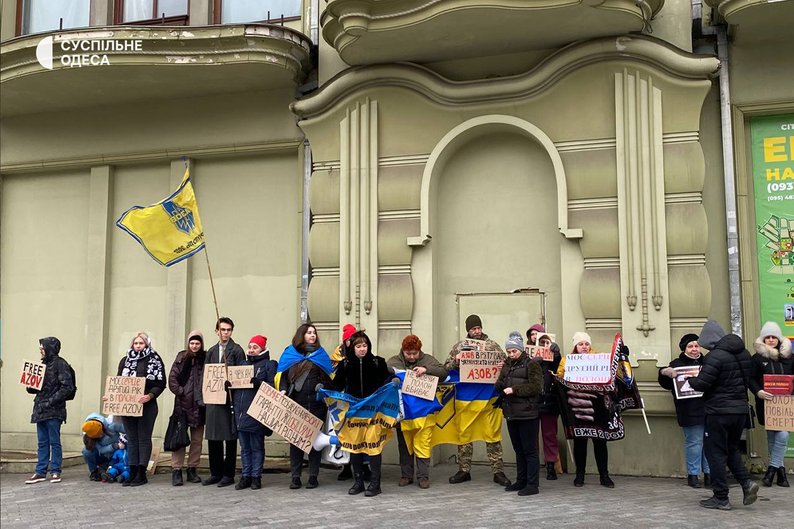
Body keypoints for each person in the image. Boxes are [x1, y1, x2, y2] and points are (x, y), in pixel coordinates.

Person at [688, 320, 759, 510]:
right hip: (740, 411)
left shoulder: (715, 356)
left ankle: (721, 497)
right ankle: (746, 483)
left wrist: (690, 380)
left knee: (715, 453)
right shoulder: (743, 353)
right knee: (732, 449)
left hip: (719, 412)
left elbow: (703, 383)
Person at [444, 314, 511, 487]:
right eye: (473, 328)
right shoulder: (459, 347)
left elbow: (506, 364)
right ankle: (464, 470)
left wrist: (500, 366)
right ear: (468, 330)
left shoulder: (492, 345)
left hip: (489, 399)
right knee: (464, 436)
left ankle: (498, 471)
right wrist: (456, 360)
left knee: (493, 435)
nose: (476, 331)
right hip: (466, 400)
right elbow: (445, 368)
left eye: (478, 328)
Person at [333, 331, 394, 496]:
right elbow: (336, 386)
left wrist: (393, 381)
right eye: (358, 346)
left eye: (364, 346)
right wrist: (323, 389)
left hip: (374, 413)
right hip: (354, 413)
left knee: (373, 446)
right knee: (355, 446)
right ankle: (358, 481)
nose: (362, 349)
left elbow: (386, 381)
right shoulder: (344, 364)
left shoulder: (378, 362)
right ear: (352, 348)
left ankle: (375, 483)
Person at [386, 334, 448, 488]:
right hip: (403, 413)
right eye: (409, 353)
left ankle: (423, 477)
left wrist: (426, 369)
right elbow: (384, 375)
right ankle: (406, 475)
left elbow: (444, 372)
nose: (412, 356)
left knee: (423, 443)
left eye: (415, 353)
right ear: (403, 351)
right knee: (404, 444)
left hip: (424, 413)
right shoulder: (394, 362)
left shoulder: (428, 359)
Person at [277, 323, 333, 490]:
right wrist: (283, 389)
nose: (312, 335)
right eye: (309, 333)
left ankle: (313, 476)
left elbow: (329, 378)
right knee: (296, 442)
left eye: (314, 333)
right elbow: (283, 376)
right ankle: (295, 476)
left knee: (315, 441)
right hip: (297, 404)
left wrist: (323, 387)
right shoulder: (290, 354)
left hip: (317, 405)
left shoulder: (321, 355)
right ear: (302, 335)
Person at [556, 332, 614, 488]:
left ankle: (604, 475)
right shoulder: (567, 360)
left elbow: (611, 376)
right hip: (577, 406)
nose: (584, 347)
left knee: (600, 442)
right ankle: (579, 475)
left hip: (596, 407)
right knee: (580, 442)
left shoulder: (599, 359)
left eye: (586, 344)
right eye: (580, 344)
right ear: (575, 346)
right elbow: (561, 377)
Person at [658, 333, 710, 488]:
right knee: (694, 443)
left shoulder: (707, 362)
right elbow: (667, 384)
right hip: (689, 410)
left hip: (709, 408)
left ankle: (709, 473)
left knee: (709, 443)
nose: (694, 349)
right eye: (690, 346)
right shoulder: (677, 363)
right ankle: (693, 474)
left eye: (696, 345)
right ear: (684, 348)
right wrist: (664, 373)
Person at [114, 332, 166, 487]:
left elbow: (161, 382)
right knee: (131, 438)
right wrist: (111, 397)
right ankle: (133, 470)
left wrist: (150, 396)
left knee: (143, 438)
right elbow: (118, 382)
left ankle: (141, 473)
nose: (138, 346)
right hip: (128, 406)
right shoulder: (125, 360)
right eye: (135, 343)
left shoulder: (154, 359)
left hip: (147, 405)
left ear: (146, 344)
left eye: (141, 343)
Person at [495, 331, 543, 496]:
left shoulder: (532, 364)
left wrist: (514, 390)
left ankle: (532, 484)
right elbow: (500, 385)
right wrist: (500, 381)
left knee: (530, 450)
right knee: (519, 450)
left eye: (514, 351)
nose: (511, 354)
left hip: (528, 413)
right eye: (509, 351)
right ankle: (521, 480)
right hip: (512, 413)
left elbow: (536, 387)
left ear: (521, 350)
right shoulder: (507, 365)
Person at [25, 336, 76, 485]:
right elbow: (35, 389)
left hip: (54, 410)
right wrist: (30, 384)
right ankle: (40, 472)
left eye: (42, 347)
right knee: (42, 442)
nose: (40, 350)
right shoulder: (41, 365)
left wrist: (50, 402)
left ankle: (55, 471)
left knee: (54, 442)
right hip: (40, 409)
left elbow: (67, 387)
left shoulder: (61, 364)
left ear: (49, 348)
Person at [748, 321, 792, 488]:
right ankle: (781, 475)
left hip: (785, 404)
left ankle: (771, 471)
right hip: (766, 402)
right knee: (772, 437)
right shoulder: (757, 358)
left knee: (783, 435)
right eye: (768, 337)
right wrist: (758, 392)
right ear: (763, 339)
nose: (771, 340)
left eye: (774, 337)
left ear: (779, 338)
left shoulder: (789, 357)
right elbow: (750, 379)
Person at [203, 317, 244, 487]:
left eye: (228, 330)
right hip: (213, 400)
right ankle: (215, 473)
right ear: (216, 331)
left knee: (230, 437)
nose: (225, 332)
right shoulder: (211, 351)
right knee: (214, 437)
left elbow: (242, 374)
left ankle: (228, 474)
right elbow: (206, 375)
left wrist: (232, 383)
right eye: (222, 329)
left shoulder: (237, 349)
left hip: (230, 400)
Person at [233, 335, 277, 490]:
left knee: (256, 447)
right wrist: (228, 386)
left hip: (257, 414)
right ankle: (246, 476)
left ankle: (256, 477)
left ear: (262, 349)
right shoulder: (243, 365)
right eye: (250, 346)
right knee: (245, 448)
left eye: (255, 347)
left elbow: (273, 387)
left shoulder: (268, 365)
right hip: (241, 413)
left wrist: (259, 384)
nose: (251, 350)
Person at [168, 330, 207, 486]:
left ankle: (192, 468)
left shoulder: (205, 359)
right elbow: (172, 378)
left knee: (197, 440)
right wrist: (181, 391)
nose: (195, 346)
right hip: (182, 406)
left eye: (197, 343)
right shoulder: (181, 358)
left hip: (199, 406)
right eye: (192, 343)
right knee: (179, 440)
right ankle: (176, 470)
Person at [527, 324, 562, 480]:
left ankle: (550, 466)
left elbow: (559, 370)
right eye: (532, 334)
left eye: (537, 334)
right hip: (531, 401)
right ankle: (532, 466)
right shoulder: (525, 354)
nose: (534, 336)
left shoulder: (552, 354)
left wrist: (557, 354)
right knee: (531, 436)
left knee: (549, 435)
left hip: (548, 399)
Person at [332, 323, 358, 482]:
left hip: (358, 400)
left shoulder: (363, 352)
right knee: (345, 432)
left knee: (361, 433)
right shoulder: (337, 357)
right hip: (342, 400)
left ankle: (364, 467)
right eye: (350, 339)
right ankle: (346, 466)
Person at [81, 412, 125, 481]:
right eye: (98, 436)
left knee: (117, 464)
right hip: (103, 456)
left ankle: (107, 471)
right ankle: (94, 472)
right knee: (86, 451)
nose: (101, 436)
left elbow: (129, 431)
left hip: (115, 456)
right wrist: (113, 446)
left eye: (101, 433)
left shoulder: (112, 426)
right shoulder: (88, 433)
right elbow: (100, 450)